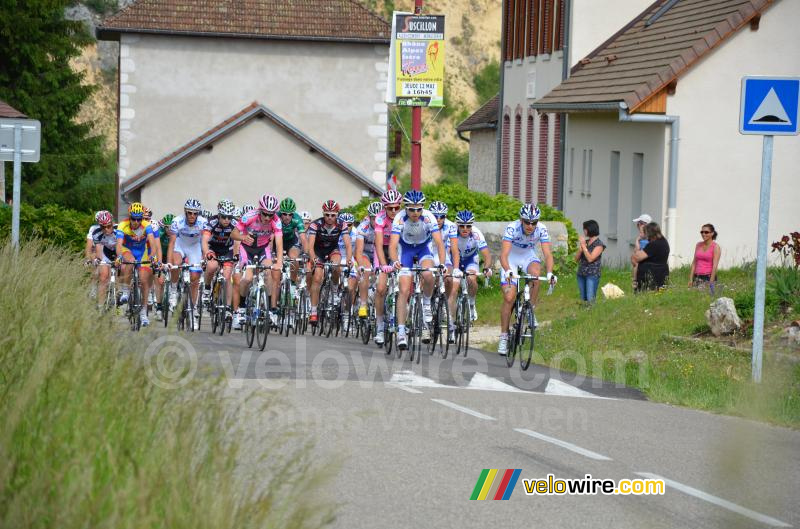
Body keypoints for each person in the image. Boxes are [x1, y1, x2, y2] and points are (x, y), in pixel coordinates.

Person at [389, 189, 446, 349]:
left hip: (423, 249)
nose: (415, 212)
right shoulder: (399, 218)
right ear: (406, 208)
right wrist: (394, 261)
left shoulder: (429, 217)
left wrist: (441, 263)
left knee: (428, 274)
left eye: (419, 209)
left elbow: (439, 243)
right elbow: (393, 245)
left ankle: (426, 303)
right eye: (412, 209)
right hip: (406, 250)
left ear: (423, 208)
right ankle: (401, 331)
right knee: (404, 290)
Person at [497, 203, 557, 355]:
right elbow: (503, 255)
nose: (530, 226)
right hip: (511, 258)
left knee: (536, 276)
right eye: (527, 222)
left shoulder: (542, 229)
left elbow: (548, 254)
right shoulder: (512, 228)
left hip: (527, 256)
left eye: (534, 222)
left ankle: (530, 310)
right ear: (521, 220)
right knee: (509, 297)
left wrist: (550, 273)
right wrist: (508, 270)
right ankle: (504, 337)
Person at [231, 193, 283, 327]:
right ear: (260, 210)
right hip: (246, 249)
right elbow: (233, 233)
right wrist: (243, 238)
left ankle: (270, 311)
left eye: (270, 215)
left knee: (269, 274)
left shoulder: (276, 221)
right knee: (247, 278)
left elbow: (279, 241)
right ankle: (241, 309)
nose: (267, 217)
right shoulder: (249, 216)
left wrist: (279, 262)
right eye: (265, 214)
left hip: (262, 248)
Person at [306, 200, 351, 324]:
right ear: (323, 214)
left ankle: (335, 290)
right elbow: (310, 246)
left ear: (337, 214)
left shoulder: (342, 224)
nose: (330, 218)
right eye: (327, 215)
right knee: (317, 278)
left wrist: (348, 259)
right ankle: (314, 312)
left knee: (336, 266)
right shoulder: (316, 224)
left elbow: (348, 245)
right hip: (318, 251)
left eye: (333, 215)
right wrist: (313, 258)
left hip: (332, 250)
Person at [115, 202, 160, 326]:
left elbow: (153, 243)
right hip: (127, 249)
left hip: (142, 252)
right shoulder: (122, 225)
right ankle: (125, 291)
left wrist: (153, 257)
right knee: (130, 261)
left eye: (139, 219)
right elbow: (118, 244)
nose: (136, 222)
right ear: (129, 217)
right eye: (133, 219)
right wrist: (119, 257)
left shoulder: (146, 225)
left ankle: (144, 313)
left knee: (144, 281)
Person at [449, 209, 491, 325]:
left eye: (468, 226)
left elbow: (487, 255)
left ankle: (472, 304)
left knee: (471, 279)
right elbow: (448, 250)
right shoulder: (452, 232)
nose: (465, 229)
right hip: (455, 259)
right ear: (457, 225)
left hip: (470, 259)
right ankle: (451, 319)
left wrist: (487, 268)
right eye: (462, 226)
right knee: (454, 288)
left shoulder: (477, 234)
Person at [372, 189, 403, 345]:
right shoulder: (380, 218)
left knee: (405, 288)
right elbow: (377, 244)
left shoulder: (404, 218)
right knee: (381, 288)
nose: (393, 211)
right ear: (384, 208)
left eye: (396, 207)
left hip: (398, 249)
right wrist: (383, 265)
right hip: (382, 251)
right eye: (389, 208)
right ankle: (379, 327)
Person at [202, 200, 239, 323]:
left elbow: (237, 241)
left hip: (226, 250)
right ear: (219, 215)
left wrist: (236, 254)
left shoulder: (234, 224)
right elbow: (205, 240)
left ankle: (228, 308)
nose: (226, 220)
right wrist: (207, 252)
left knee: (227, 276)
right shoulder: (212, 222)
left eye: (229, 217)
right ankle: (207, 289)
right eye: (223, 217)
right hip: (213, 248)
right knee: (212, 266)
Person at [354, 201, 382, 318]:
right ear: (369, 217)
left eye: (378, 218)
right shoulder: (363, 227)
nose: (376, 221)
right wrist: (360, 266)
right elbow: (359, 251)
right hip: (365, 253)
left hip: (379, 253)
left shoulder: (386, 226)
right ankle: (363, 304)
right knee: (365, 271)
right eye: (373, 218)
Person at [631, 222, 670, 291]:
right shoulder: (664, 242)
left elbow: (635, 258)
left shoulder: (653, 244)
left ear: (650, 233)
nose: (647, 237)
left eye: (647, 234)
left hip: (650, 281)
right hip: (661, 277)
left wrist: (637, 244)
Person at [574, 220, 606, 304]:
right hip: (581, 273)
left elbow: (590, 259)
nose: (584, 231)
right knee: (583, 298)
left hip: (592, 275)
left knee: (590, 298)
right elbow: (576, 259)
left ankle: (591, 313)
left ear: (589, 229)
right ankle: (584, 313)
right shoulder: (586, 242)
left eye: (584, 229)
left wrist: (584, 247)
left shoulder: (599, 244)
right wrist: (580, 250)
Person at [91, 211, 117, 308]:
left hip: (120, 252)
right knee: (103, 277)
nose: (106, 229)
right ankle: (100, 306)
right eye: (103, 227)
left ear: (112, 223)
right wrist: (100, 261)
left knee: (122, 273)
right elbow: (99, 251)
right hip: (106, 253)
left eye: (108, 226)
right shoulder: (96, 233)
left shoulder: (119, 229)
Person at [689, 223, 721, 290]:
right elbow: (694, 262)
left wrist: (711, 282)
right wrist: (691, 279)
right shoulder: (698, 245)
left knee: (705, 298)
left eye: (706, 232)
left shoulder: (716, 247)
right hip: (697, 276)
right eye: (702, 232)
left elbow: (715, 266)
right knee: (695, 298)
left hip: (708, 276)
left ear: (712, 233)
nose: (703, 234)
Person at [631, 214, 652, 289]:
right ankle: (635, 281)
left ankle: (635, 281)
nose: (637, 225)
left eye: (639, 224)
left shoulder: (645, 238)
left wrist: (637, 241)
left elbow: (637, 253)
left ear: (644, 225)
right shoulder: (642, 237)